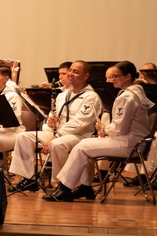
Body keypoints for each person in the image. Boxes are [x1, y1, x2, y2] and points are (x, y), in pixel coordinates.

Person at [47, 60, 153, 202]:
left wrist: (103, 129)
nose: (112, 80)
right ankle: (85, 186)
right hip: (135, 141)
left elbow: (120, 128)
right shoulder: (137, 92)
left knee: (82, 147)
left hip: (129, 143)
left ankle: (65, 188)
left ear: (128, 76)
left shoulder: (127, 97)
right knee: (86, 144)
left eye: (115, 76)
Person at [9, 60, 101, 192]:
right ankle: (28, 178)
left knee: (57, 144)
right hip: (58, 133)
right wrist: (50, 122)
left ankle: (62, 185)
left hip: (79, 136)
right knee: (23, 137)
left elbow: (80, 123)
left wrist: (57, 136)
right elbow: (53, 115)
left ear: (85, 76)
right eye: (70, 70)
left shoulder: (91, 97)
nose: (70, 74)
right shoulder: (62, 95)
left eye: (76, 72)